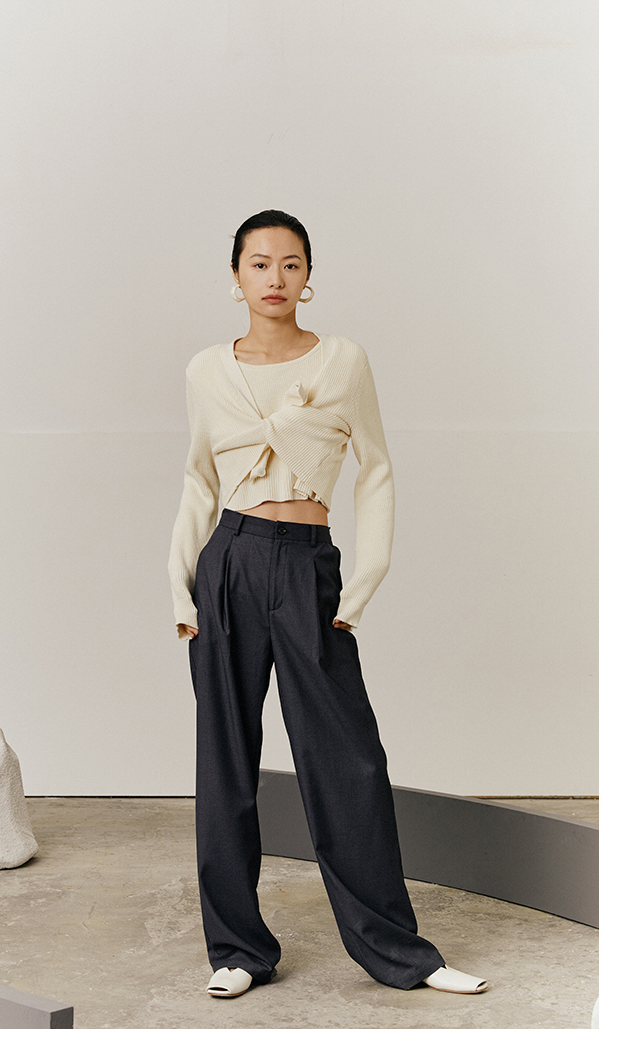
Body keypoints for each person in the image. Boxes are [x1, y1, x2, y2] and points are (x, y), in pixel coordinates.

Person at [167, 210, 488, 999]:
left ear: (309, 276)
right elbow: (199, 480)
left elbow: (375, 467)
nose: (274, 277)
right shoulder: (206, 370)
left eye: (290, 263)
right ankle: (237, 949)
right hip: (229, 560)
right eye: (258, 263)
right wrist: (180, 586)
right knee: (225, 758)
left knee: (349, 760)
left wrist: (363, 580)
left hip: (308, 563)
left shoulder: (343, 360)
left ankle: (402, 953)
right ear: (235, 277)